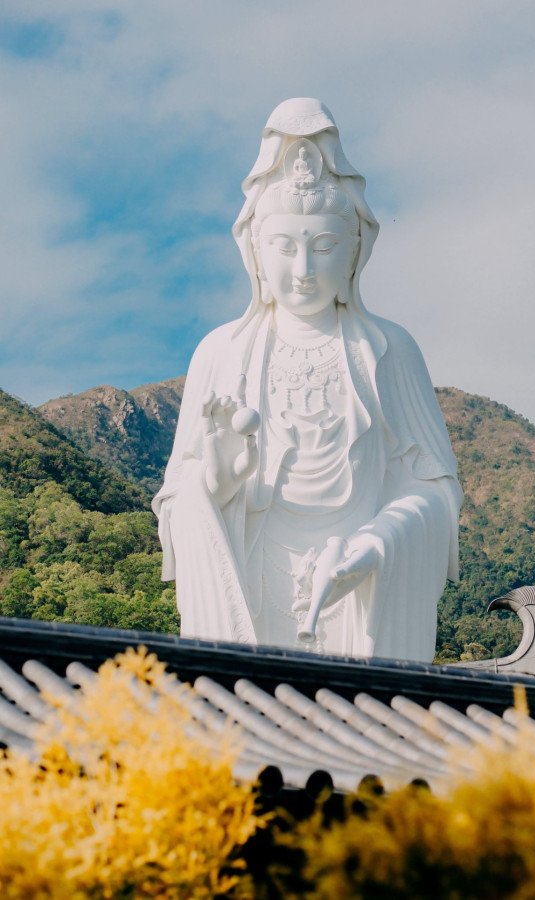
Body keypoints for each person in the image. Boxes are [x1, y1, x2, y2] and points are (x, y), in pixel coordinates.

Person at [152, 98, 462, 661]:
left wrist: (375, 545)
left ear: (352, 253)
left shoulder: (388, 350)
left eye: (323, 247)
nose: (302, 270)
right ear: (255, 252)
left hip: (358, 598)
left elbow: (435, 493)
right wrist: (217, 485)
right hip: (251, 591)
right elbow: (179, 499)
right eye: (284, 247)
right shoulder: (221, 352)